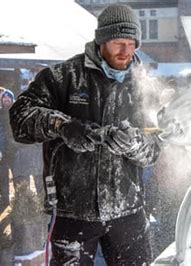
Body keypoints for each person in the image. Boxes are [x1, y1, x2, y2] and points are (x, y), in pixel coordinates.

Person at [9, 4, 161, 265]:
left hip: (128, 211)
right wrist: (63, 126)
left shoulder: (143, 85)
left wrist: (134, 143)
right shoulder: (63, 77)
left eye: (131, 43)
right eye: (117, 42)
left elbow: (154, 147)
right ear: (101, 39)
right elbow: (20, 118)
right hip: (72, 211)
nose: (126, 51)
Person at [0, 89, 16, 209]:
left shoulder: (17, 112)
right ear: (2, 100)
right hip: (2, 149)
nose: (6, 100)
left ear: (12, 100)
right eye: (4, 98)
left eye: (9, 98)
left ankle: (19, 198)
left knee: (17, 176)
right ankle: (4, 198)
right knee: (2, 175)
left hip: (15, 150)